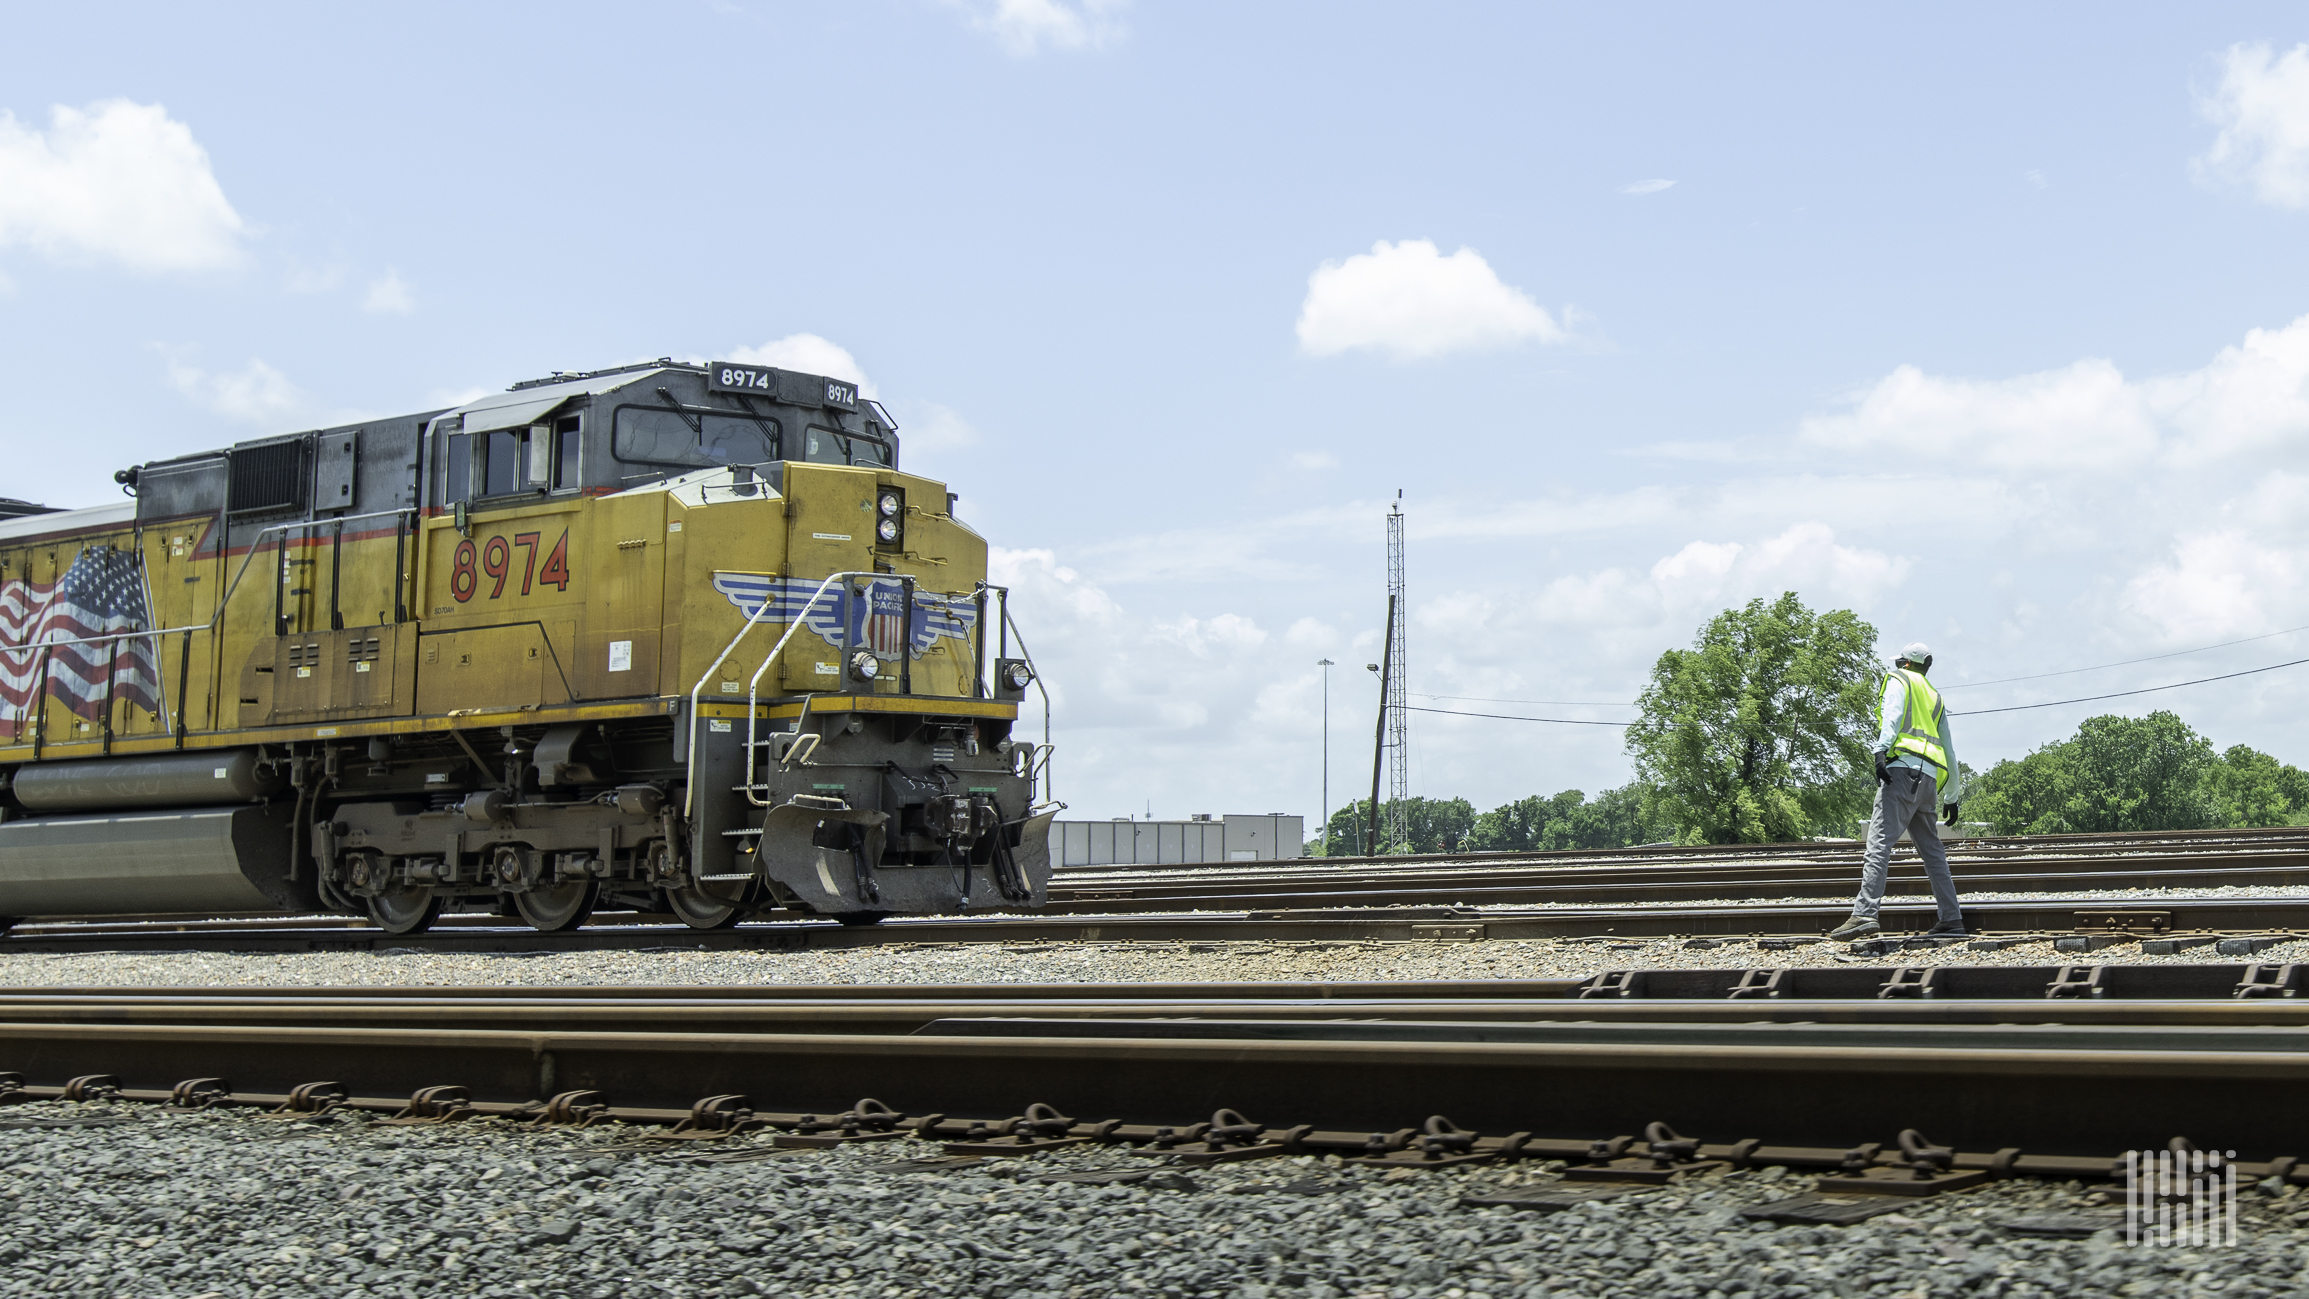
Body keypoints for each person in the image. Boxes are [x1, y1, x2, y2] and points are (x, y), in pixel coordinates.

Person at [1827, 642, 1966, 942]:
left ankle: (1865, 914)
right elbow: (1950, 751)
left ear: (1905, 663)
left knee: (1878, 842)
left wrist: (1880, 750)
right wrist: (1952, 795)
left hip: (1902, 772)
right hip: (1928, 780)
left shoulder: (1899, 680)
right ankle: (1952, 918)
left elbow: (1891, 715)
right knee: (1933, 853)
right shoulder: (1935, 697)